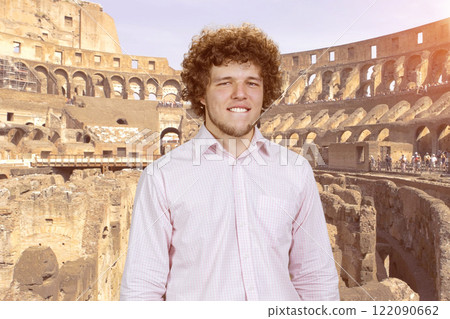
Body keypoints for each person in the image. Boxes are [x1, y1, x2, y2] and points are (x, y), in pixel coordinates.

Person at [120, 24, 339, 301]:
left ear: (265, 93)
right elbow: (142, 289)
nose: (240, 93)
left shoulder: (296, 171)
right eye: (225, 82)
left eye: (252, 83)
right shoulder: (161, 177)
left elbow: (316, 277)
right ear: (201, 92)